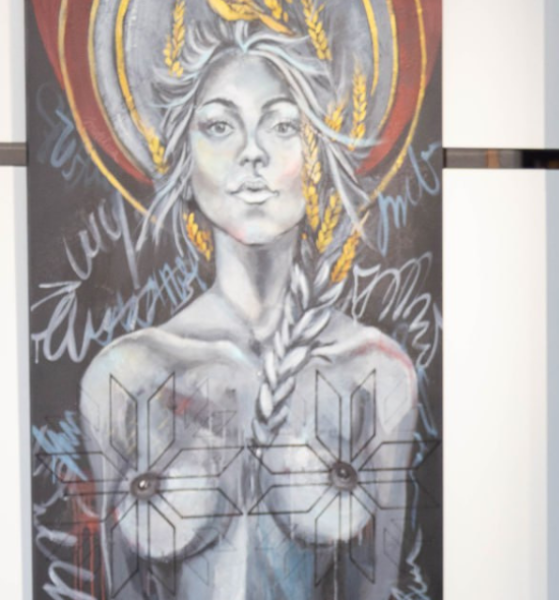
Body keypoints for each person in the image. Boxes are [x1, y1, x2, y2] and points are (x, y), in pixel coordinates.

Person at [77, 20, 419, 600]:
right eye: (219, 126)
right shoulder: (125, 377)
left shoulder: (376, 372)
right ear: (182, 159)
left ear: (319, 156)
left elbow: (375, 584)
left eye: (283, 126)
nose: (252, 153)